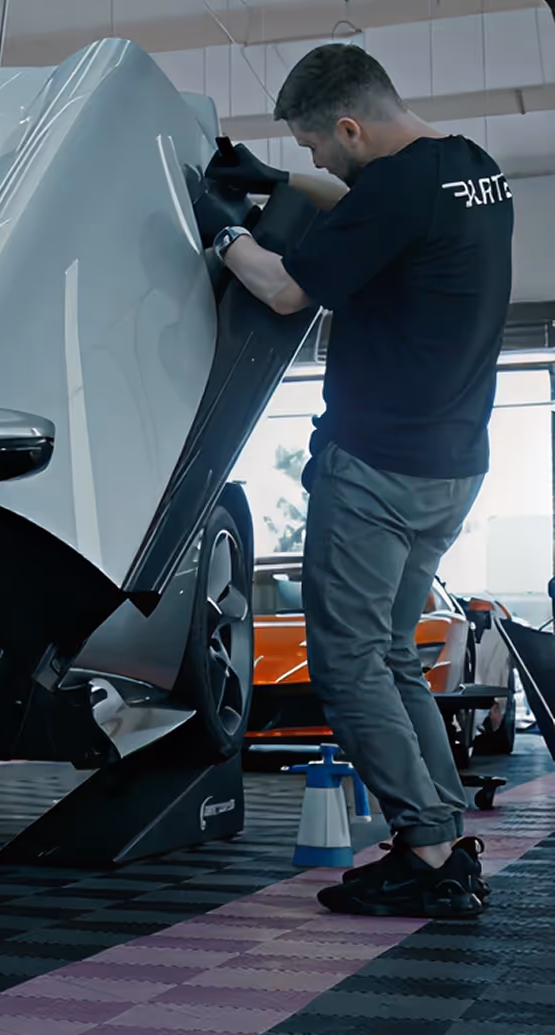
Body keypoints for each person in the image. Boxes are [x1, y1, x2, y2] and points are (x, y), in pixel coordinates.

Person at [206, 44, 513, 917]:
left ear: (349, 125)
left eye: (314, 149)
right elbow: (377, 217)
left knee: (345, 662)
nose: (316, 163)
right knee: (389, 656)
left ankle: (422, 846)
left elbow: (280, 291)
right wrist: (279, 185)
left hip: (377, 466)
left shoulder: (396, 191)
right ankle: (440, 839)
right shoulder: (472, 170)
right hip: (452, 466)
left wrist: (224, 224)